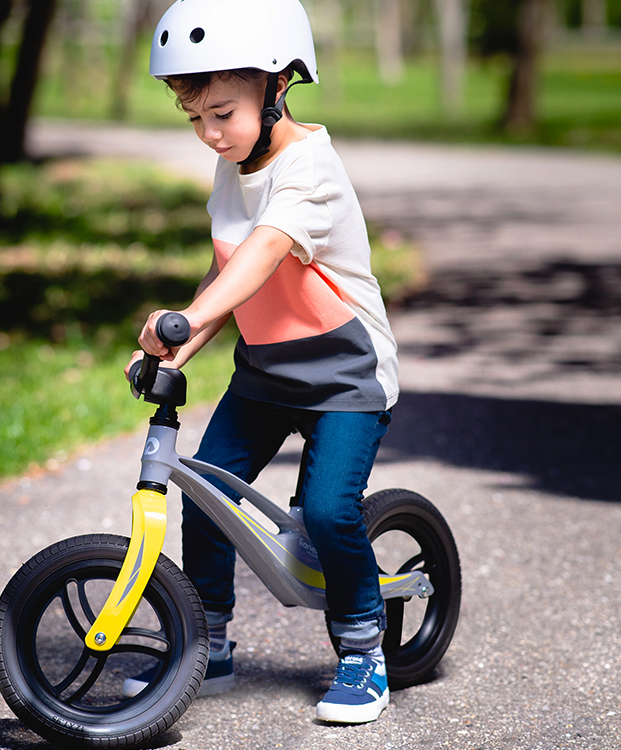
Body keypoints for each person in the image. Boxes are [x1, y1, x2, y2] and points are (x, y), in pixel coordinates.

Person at [123, 0, 399, 725]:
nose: (210, 134)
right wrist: (175, 344)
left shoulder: (310, 169)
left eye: (222, 113)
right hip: (269, 371)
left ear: (278, 87)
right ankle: (205, 642)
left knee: (331, 511)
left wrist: (192, 318)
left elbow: (264, 257)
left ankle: (364, 650)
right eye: (195, 120)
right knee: (209, 494)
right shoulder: (235, 165)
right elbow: (226, 274)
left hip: (345, 374)